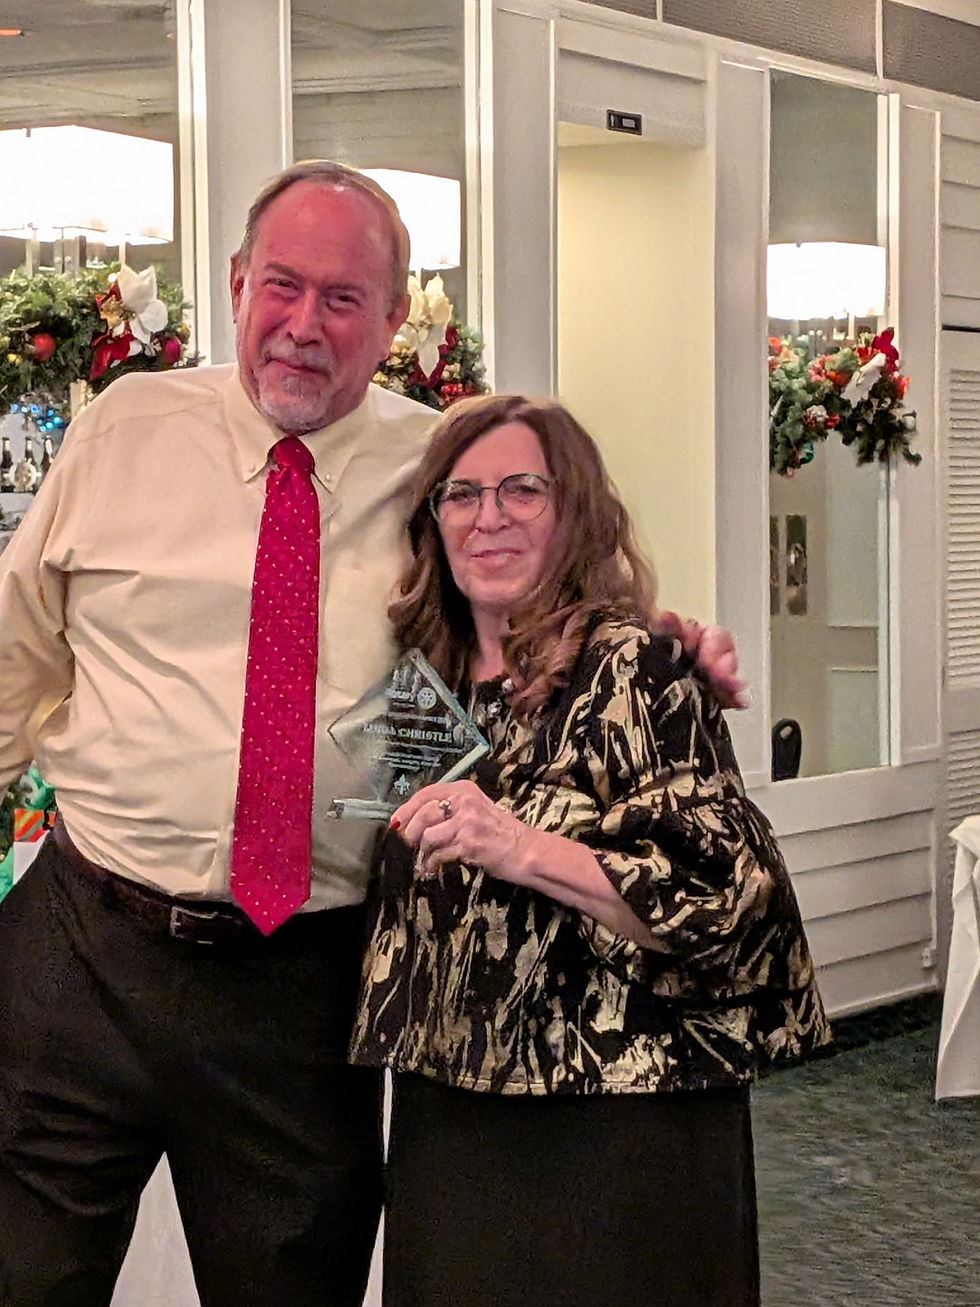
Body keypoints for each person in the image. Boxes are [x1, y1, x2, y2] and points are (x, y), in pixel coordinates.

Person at [0, 162, 743, 1307]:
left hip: (307, 976)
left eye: (342, 298)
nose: (302, 325)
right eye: (280, 286)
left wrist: (663, 643)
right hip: (83, 940)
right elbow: (16, 656)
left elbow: (547, 614)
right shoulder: (125, 429)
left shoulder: (441, 468)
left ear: (395, 317)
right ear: (237, 283)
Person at [350, 392, 831, 1307]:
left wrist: (521, 845)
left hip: (617, 1132)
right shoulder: (424, 689)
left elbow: (729, 902)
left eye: (521, 490)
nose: (488, 517)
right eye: (461, 494)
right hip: (452, 1124)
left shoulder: (637, 669)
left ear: (574, 512)